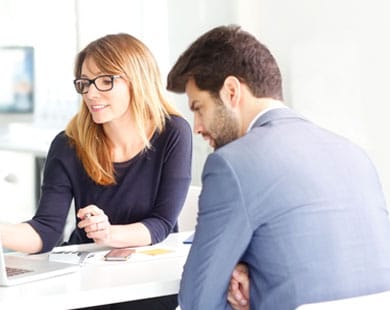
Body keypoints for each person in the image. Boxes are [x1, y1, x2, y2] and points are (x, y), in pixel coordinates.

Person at [166, 24, 390, 310]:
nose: (196, 127)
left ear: (231, 91)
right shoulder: (355, 154)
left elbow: (198, 303)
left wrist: (243, 296)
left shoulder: (232, 163)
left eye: (198, 108)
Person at [0, 33, 193, 309]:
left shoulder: (172, 132)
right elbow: (46, 230)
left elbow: (161, 223)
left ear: (136, 81)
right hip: (83, 274)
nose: (91, 93)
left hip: (147, 278)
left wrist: (108, 233)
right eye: (85, 82)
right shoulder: (68, 143)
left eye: (105, 81)